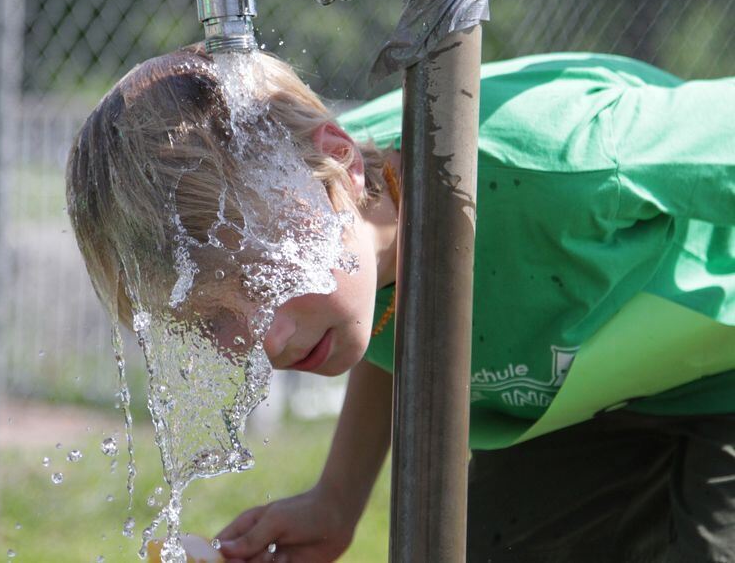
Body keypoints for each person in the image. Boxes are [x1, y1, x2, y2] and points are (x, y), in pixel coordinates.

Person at [66, 45, 735, 562]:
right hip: (580, 405)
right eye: (212, 320)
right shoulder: (347, 234)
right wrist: (337, 499)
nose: (266, 341)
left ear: (341, 165)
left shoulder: (566, 164)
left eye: (268, 277)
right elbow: (397, 324)